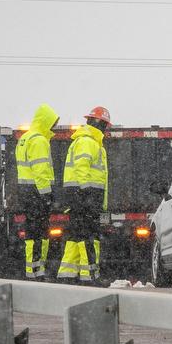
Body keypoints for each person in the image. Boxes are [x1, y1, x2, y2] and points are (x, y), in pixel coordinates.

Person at [56, 106, 112, 284]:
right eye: (105, 125)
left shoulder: (89, 141)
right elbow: (82, 167)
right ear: (100, 124)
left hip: (80, 196)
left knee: (76, 236)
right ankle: (90, 276)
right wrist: (87, 192)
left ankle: (67, 274)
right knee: (89, 236)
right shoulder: (88, 141)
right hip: (84, 196)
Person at [14, 104, 58, 278]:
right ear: (45, 121)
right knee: (41, 233)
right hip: (37, 193)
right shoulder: (39, 140)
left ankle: (30, 269)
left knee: (32, 233)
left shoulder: (25, 138)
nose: (53, 127)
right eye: (52, 123)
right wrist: (46, 193)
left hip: (26, 191)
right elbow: (40, 170)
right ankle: (38, 269)